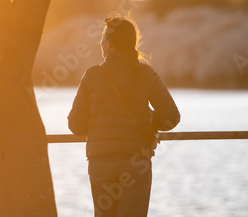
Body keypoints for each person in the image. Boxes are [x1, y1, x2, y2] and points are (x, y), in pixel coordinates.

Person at [68, 16, 181, 217]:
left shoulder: (92, 75)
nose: (101, 42)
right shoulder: (145, 73)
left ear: (110, 44)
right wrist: (147, 120)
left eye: (103, 38)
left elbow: (76, 126)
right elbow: (171, 117)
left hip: (100, 162)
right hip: (135, 162)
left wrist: (99, 123)